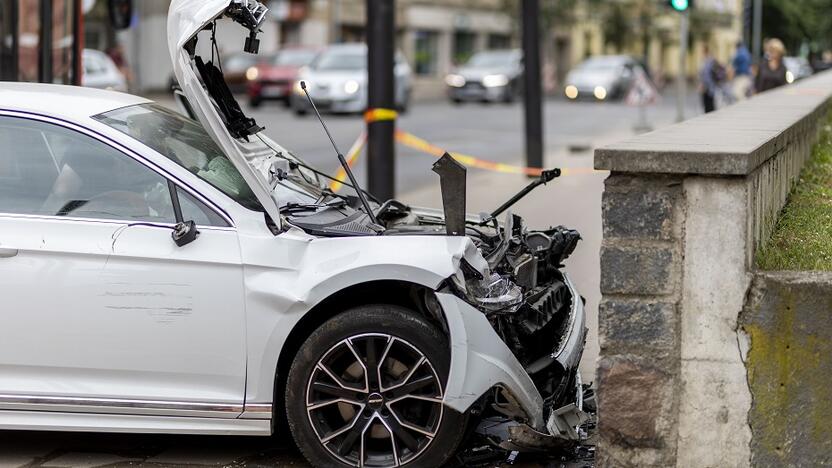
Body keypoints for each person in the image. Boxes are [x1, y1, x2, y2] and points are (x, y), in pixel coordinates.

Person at [698, 45, 721, 113]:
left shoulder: (706, 61)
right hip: (712, 87)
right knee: (710, 104)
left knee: (708, 106)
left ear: (705, 52)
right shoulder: (712, 60)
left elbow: (705, 75)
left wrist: (702, 84)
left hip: (707, 87)